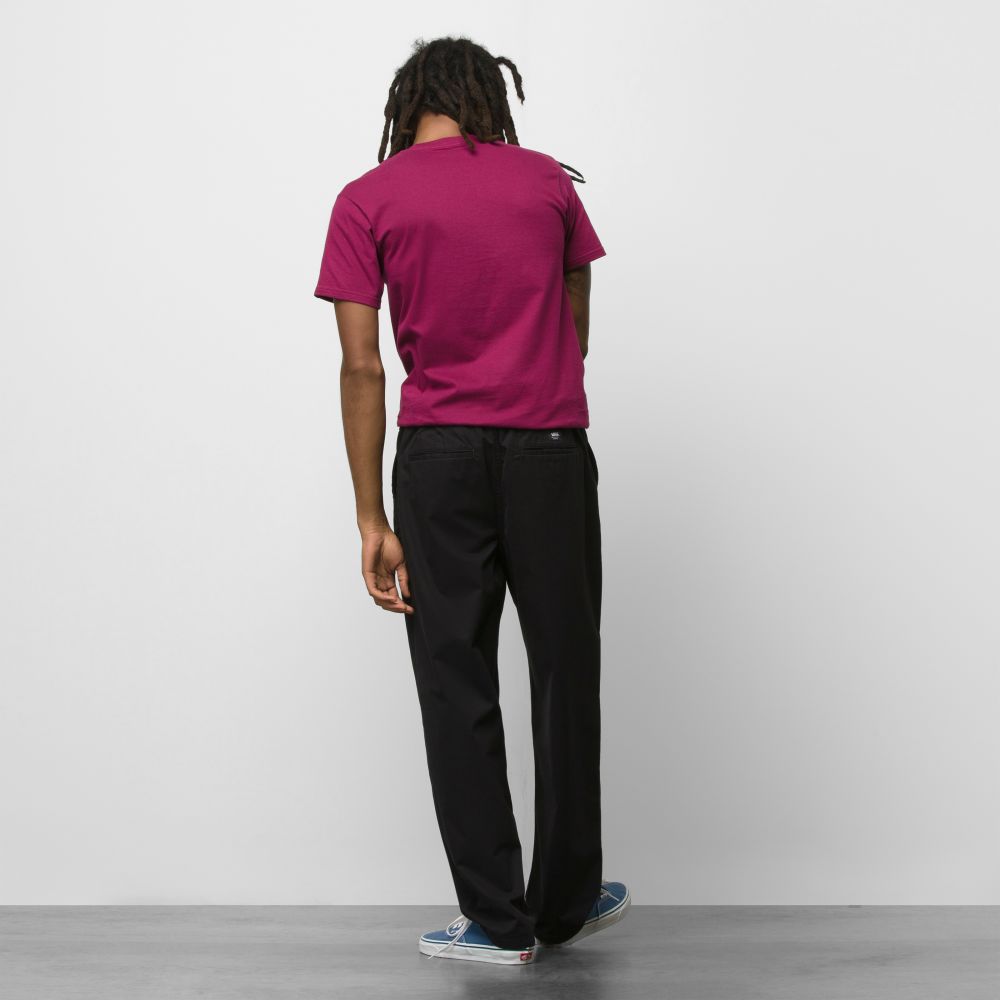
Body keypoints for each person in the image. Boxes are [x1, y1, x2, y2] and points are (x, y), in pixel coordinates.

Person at [313, 34, 630, 966]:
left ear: (407, 104)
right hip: (550, 449)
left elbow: (362, 366)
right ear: (491, 98)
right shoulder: (546, 184)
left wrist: (371, 519)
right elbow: (575, 318)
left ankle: (497, 922)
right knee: (565, 670)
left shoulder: (367, 197)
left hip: (439, 461)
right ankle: (565, 903)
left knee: (456, 680)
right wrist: (538, 373)